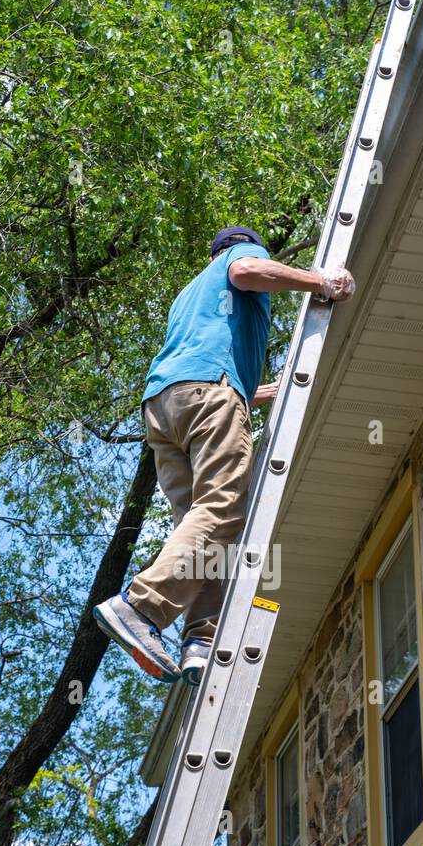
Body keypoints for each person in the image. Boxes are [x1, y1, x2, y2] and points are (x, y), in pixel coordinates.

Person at [94, 226, 355, 685]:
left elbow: (201, 357)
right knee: (224, 507)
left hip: (164, 408)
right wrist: (320, 283)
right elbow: (248, 270)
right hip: (210, 394)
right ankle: (140, 606)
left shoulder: (188, 296)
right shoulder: (238, 257)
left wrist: (255, 393)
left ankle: (200, 638)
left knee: (202, 525)